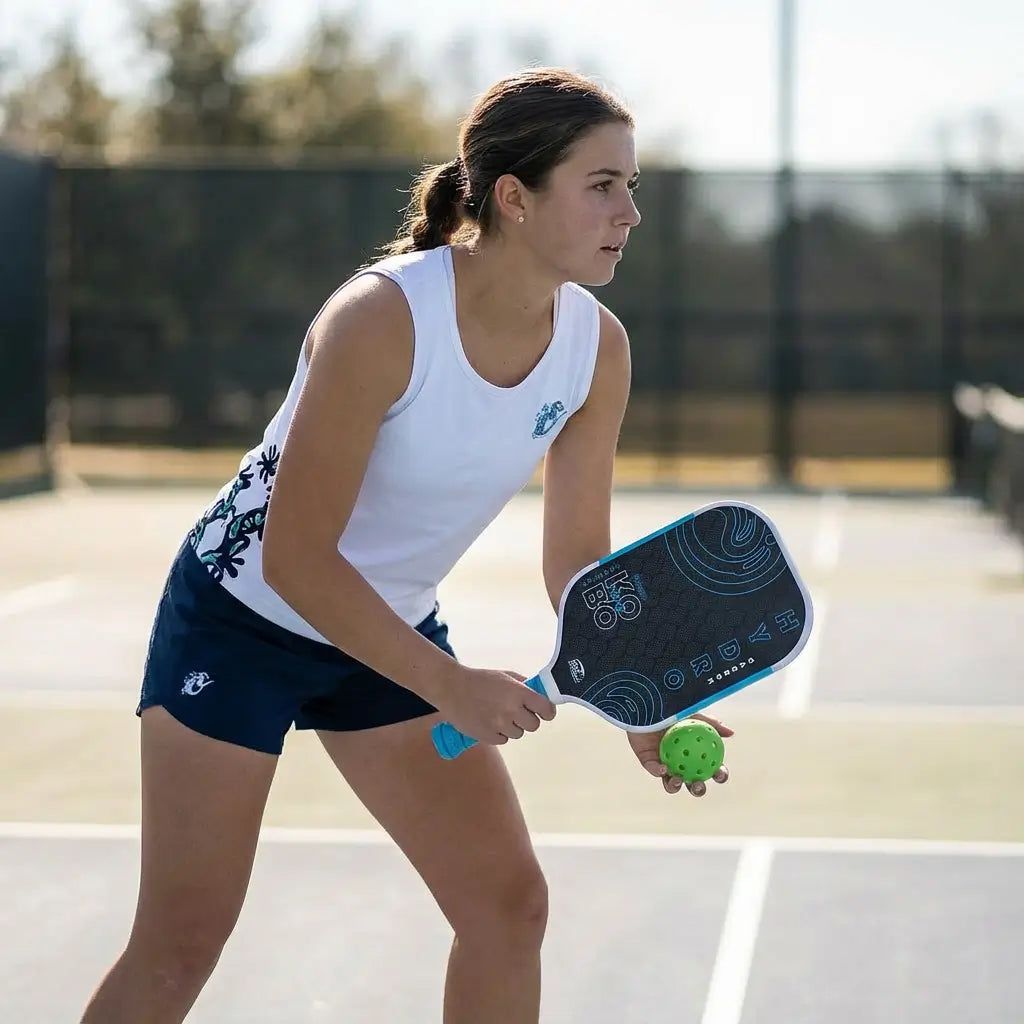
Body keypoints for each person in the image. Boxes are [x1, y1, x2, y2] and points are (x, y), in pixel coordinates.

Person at [80, 66, 732, 1024]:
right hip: (240, 619)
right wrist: (451, 683)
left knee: (509, 910)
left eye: (633, 186)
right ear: (514, 197)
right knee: (181, 943)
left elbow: (579, 563)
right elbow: (293, 559)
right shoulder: (382, 318)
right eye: (602, 184)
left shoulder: (599, 349)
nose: (628, 212)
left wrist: (644, 693)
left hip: (387, 633)